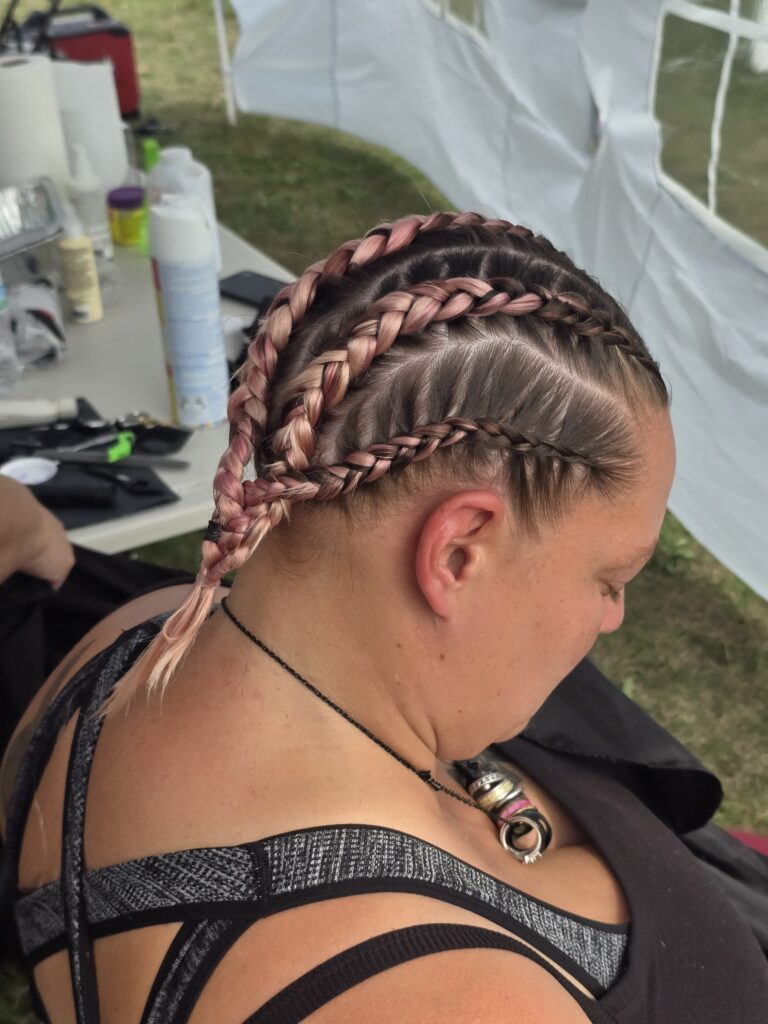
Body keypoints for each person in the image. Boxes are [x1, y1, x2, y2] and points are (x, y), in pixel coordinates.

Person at [1, 212, 766, 1023]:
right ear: (458, 553)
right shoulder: (450, 1002)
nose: (613, 619)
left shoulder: (123, 646)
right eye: (612, 579)